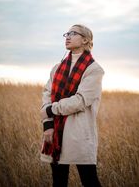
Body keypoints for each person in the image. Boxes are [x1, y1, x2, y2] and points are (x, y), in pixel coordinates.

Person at [40, 24, 105, 187]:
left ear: (85, 40)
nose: (67, 37)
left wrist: (51, 109)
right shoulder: (57, 68)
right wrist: (47, 124)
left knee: (89, 181)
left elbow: (81, 100)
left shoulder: (94, 69)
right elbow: (46, 93)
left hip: (79, 133)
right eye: (66, 34)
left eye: (73, 33)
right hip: (55, 133)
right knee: (58, 182)